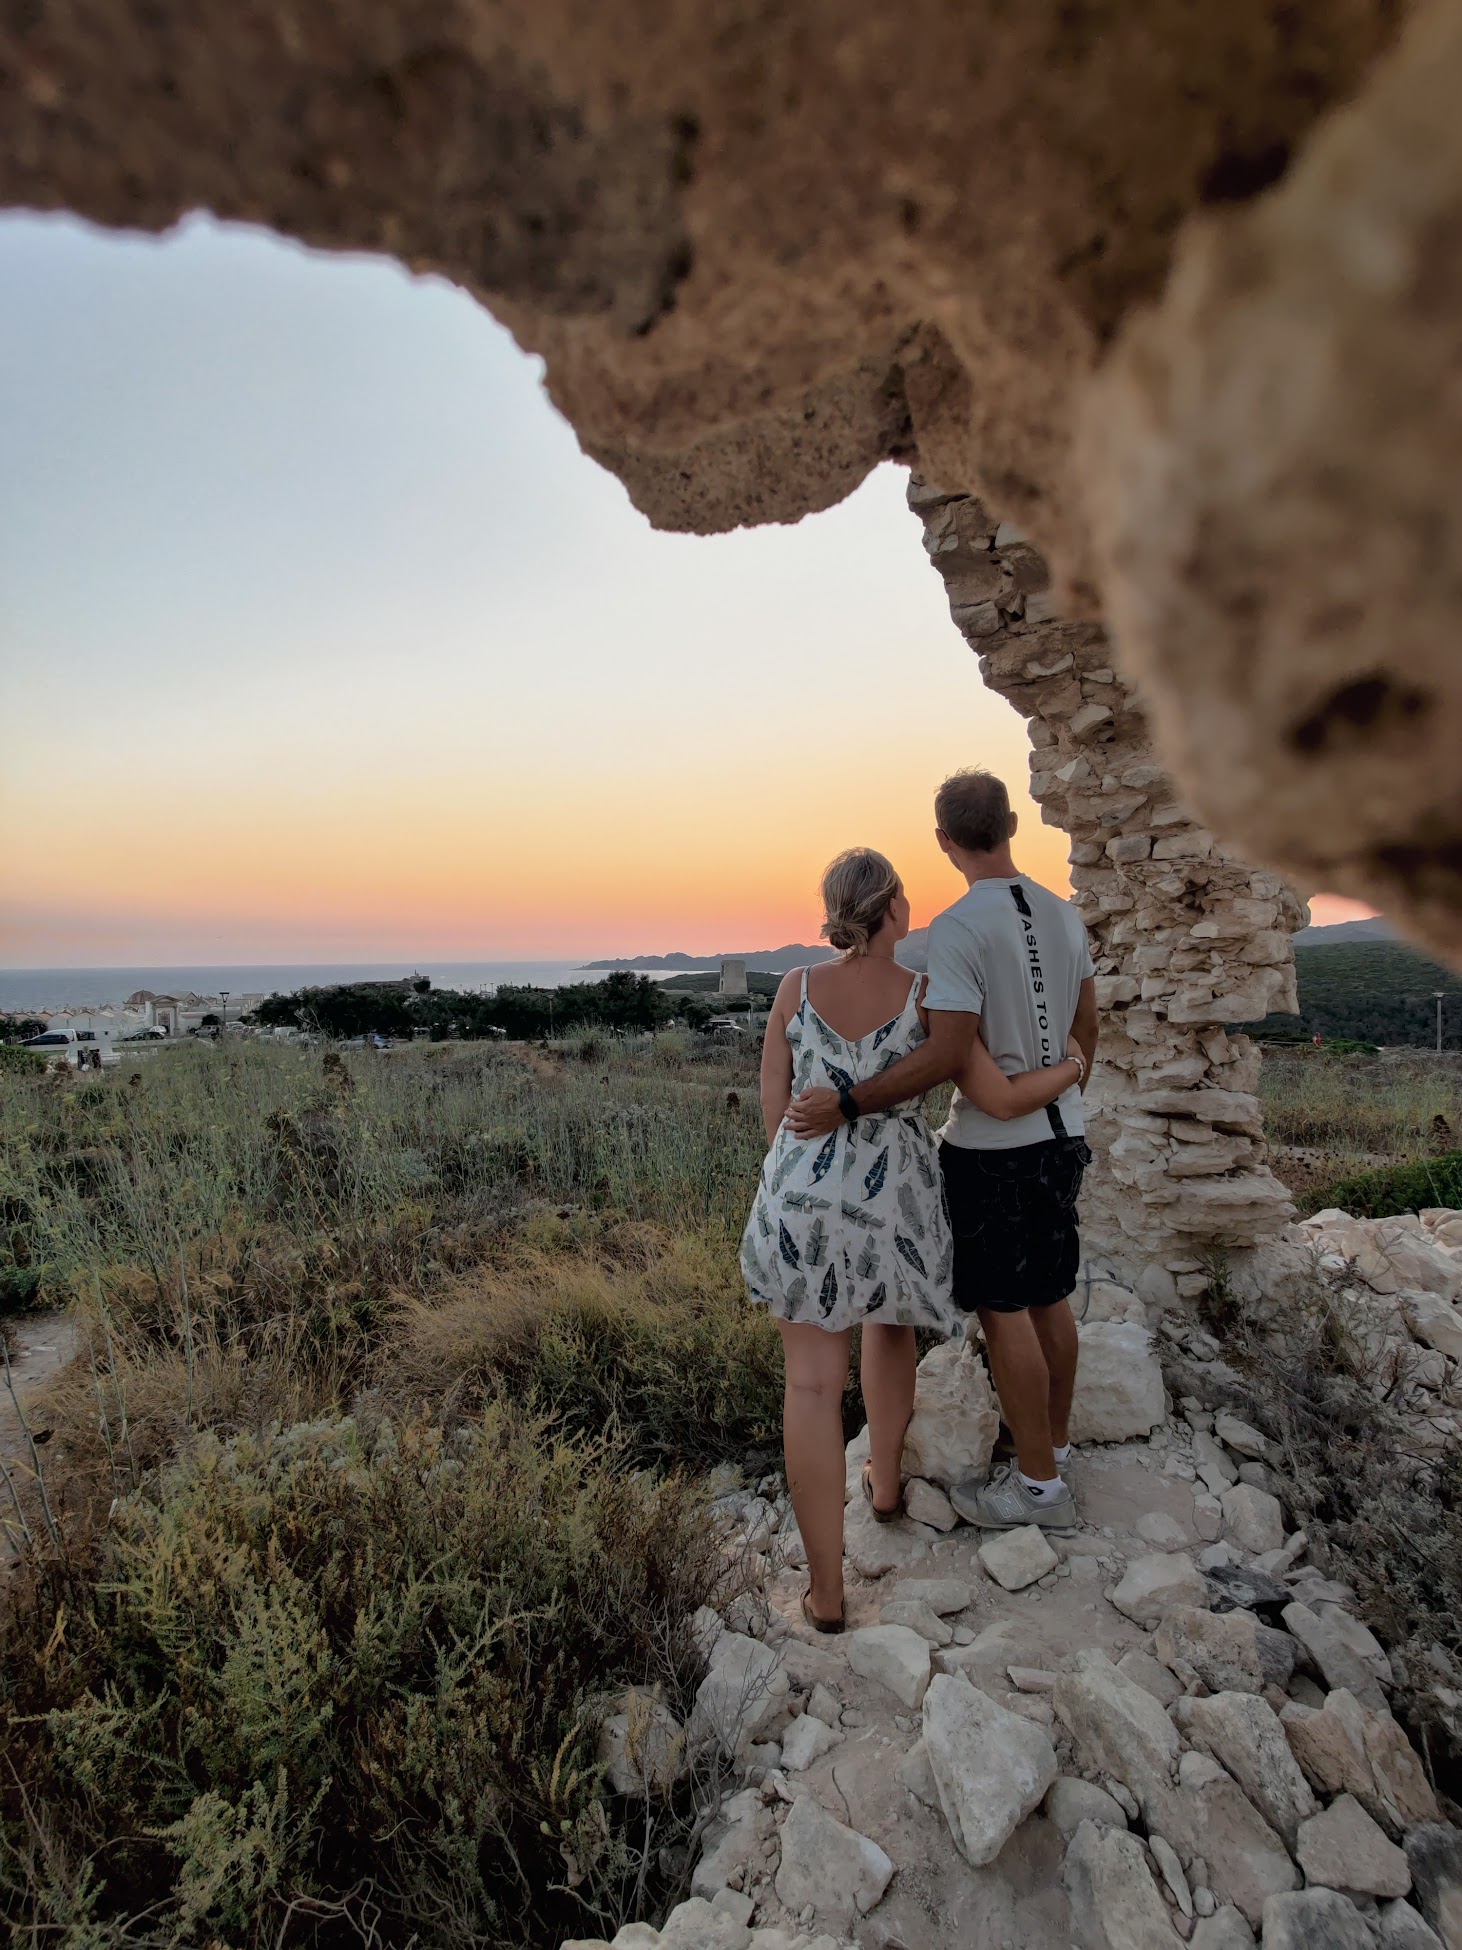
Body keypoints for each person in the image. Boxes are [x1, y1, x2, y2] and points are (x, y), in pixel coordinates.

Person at [744, 846, 1087, 1631]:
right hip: (895, 1200)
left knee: (810, 1386)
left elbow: (773, 1088)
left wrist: (794, 1172)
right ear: (895, 909)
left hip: (802, 1189)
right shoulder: (927, 996)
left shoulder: (795, 988)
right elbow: (989, 1090)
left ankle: (826, 1596)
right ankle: (887, 1484)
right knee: (889, 1329)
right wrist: (1071, 1065)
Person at [787, 771, 1099, 1533]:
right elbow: (1087, 1029)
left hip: (993, 1147)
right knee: (1052, 1294)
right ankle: (1053, 1447)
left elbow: (949, 1051)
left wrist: (849, 1103)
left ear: (943, 840)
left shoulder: (958, 928)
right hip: (1064, 1134)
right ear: (1013, 824)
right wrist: (1066, 1074)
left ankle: (1039, 1489)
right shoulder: (1065, 915)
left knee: (1003, 1309)